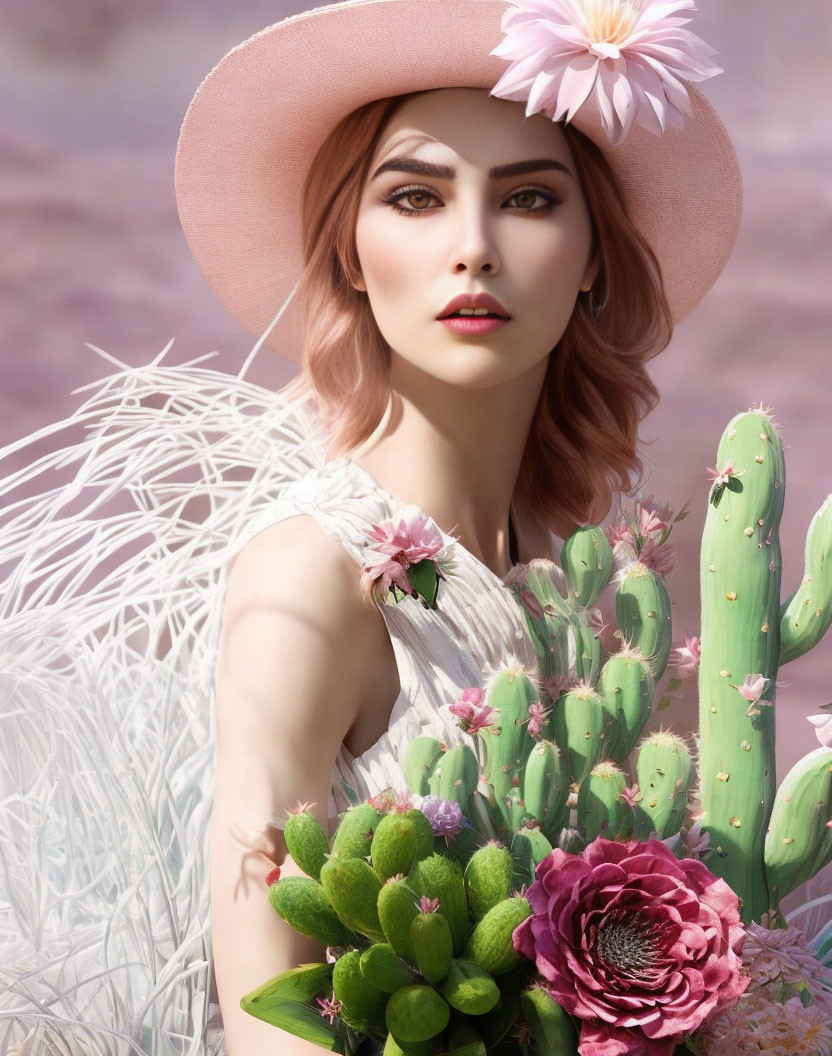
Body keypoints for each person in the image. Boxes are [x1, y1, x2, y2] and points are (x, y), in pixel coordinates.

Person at [0, 0, 741, 1052]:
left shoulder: (596, 596)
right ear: (348, 249)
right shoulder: (312, 574)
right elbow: (267, 1022)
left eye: (529, 199)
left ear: (592, 260)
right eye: (415, 197)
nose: (473, 249)